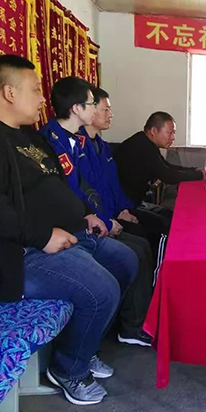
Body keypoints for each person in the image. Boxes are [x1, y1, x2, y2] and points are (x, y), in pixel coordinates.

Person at [0, 55, 138, 405]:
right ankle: (69, 369)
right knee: (102, 289)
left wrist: (85, 215)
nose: (42, 98)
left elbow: (57, 185)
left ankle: (86, 346)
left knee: (125, 261)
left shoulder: (28, 136)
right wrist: (43, 236)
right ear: (9, 93)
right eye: (35, 90)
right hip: (17, 252)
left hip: (66, 232)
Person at [40, 77, 154, 347]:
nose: (102, 111)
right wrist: (105, 221)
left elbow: (98, 187)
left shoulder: (82, 142)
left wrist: (116, 213)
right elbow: (69, 194)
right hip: (70, 229)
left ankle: (130, 321)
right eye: (95, 105)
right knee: (133, 252)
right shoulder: (50, 142)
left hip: (94, 219)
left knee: (139, 247)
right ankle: (123, 326)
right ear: (77, 108)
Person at [82, 86, 170, 285]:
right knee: (142, 243)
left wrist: (122, 209)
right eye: (106, 109)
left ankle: (155, 285)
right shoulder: (78, 146)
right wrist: (110, 218)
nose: (110, 115)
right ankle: (151, 290)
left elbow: (113, 184)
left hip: (119, 208)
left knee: (159, 225)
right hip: (98, 220)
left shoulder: (102, 147)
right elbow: (87, 192)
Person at [114, 111, 203, 220]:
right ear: (154, 131)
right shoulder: (142, 146)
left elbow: (166, 166)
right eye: (170, 133)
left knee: (172, 215)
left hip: (137, 202)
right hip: (125, 206)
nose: (173, 138)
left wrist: (194, 171)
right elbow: (167, 176)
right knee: (169, 221)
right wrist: (199, 175)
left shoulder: (145, 142)